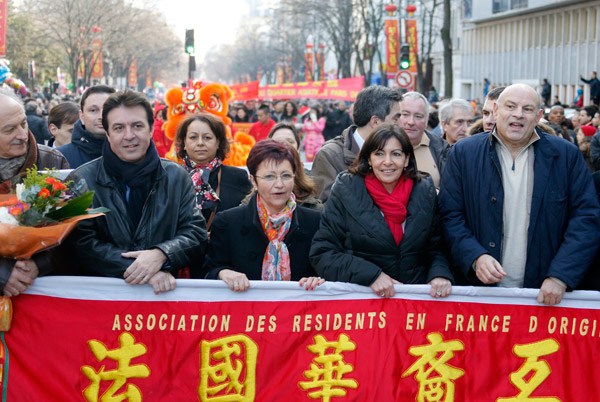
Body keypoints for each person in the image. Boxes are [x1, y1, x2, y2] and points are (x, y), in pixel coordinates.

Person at [439, 84, 600, 305]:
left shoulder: (566, 156)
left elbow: (586, 219)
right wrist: (474, 257)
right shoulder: (464, 154)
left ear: (538, 116)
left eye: (527, 109)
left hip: (545, 295)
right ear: (496, 111)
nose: (518, 114)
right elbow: (450, 216)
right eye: (511, 106)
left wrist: (561, 275)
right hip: (480, 293)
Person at [64, 90, 207, 293]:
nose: (129, 135)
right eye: (119, 128)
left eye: (137, 126)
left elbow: (195, 233)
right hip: (101, 298)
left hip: (162, 299)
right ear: (107, 133)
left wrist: (161, 255)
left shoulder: (176, 176)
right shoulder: (81, 180)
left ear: (150, 129)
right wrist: (139, 268)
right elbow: (82, 243)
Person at [310, 124, 453, 298]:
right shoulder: (346, 190)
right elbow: (324, 252)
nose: (387, 161)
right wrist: (371, 275)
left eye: (396, 154)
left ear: (407, 159)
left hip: (413, 305)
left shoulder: (425, 190)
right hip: (362, 306)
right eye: (379, 153)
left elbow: (437, 247)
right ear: (369, 159)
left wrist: (439, 273)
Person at [201, 140, 324, 291]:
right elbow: (209, 271)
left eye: (286, 176)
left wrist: (317, 279)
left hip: (299, 311)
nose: (279, 184)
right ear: (253, 180)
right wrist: (223, 273)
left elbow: (325, 267)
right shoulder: (228, 222)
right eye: (270, 177)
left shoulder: (315, 221)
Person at [0, 90, 69, 296]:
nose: (22, 135)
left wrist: (38, 265)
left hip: (41, 293)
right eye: (9, 129)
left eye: (23, 123)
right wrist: (3, 275)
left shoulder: (52, 161)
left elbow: (73, 231)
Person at [311, 86, 403, 202]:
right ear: (375, 122)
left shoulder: (400, 151)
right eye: (395, 119)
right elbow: (327, 208)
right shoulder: (330, 156)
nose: (401, 125)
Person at [174, 113, 252, 229]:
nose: (200, 143)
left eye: (207, 137)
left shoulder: (237, 177)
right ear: (184, 142)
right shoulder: (171, 177)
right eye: (193, 137)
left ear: (218, 143)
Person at [58, 85, 116, 168]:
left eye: (108, 109)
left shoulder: (133, 154)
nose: (101, 116)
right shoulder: (60, 158)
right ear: (82, 116)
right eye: (93, 110)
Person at [268, 123, 323, 210]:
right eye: (278, 142)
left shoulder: (315, 180)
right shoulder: (260, 182)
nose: (284, 146)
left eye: (290, 142)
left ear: (298, 147)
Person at [398, 92, 446, 188]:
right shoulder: (380, 145)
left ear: (427, 121)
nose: (411, 122)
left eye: (418, 116)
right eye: (405, 114)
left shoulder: (442, 149)